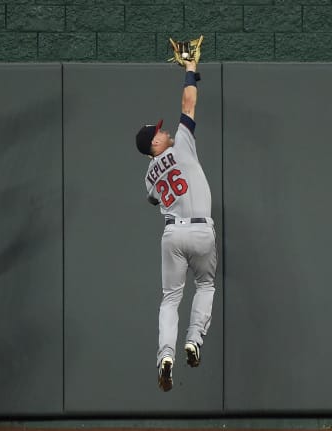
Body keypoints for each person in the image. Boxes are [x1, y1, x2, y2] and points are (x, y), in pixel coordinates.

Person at [135, 60, 217, 392]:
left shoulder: (148, 175)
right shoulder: (181, 143)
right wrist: (190, 69)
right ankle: (194, 340)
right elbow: (188, 103)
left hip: (171, 235)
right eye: (159, 132)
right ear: (154, 144)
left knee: (170, 299)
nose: (164, 131)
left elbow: (153, 200)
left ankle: (165, 357)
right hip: (200, 230)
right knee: (207, 286)